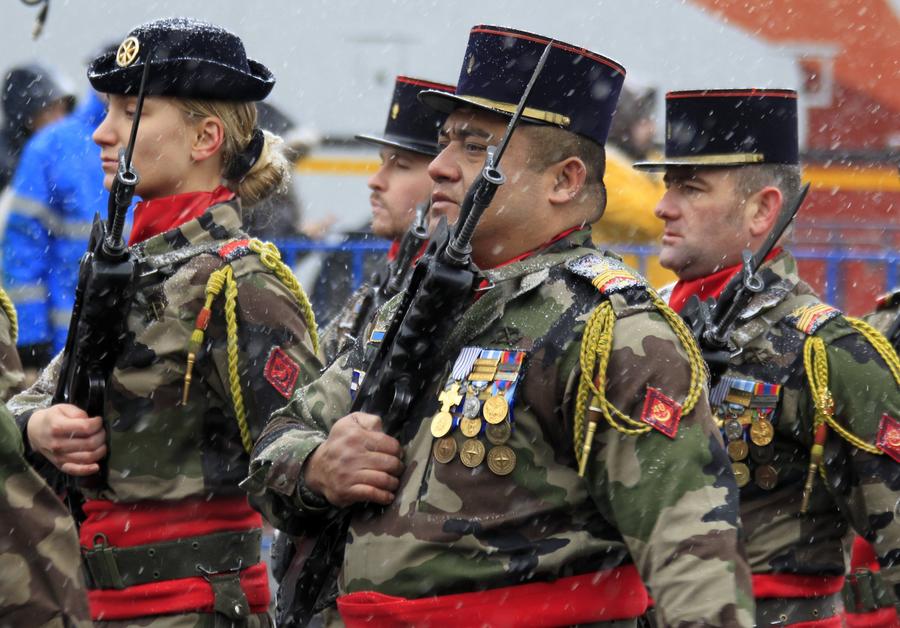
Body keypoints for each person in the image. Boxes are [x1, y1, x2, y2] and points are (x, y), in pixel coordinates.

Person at [246, 25, 754, 627]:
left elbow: (692, 556)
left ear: (564, 181)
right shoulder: (419, 302)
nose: (438, 167)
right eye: (443, 143)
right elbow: (278, 441)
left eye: (474, 147)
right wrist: (317, 469)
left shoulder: (614, 330)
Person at [8, 17, 321, 626]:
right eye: (107, 109)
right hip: (98, 602)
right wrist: (40, 426)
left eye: (131, 111)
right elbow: (37, 397)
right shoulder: (127, 268)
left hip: (192, 607)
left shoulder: (239, 282)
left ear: (205, 138)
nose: (103, 133)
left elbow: (298, 457)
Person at [636, 88, 900, 626]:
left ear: (762, 210)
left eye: (690, 188)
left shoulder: (826, 352)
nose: (663, 206)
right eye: (667, 186)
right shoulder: (639, 329)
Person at [318, 74, 454, 361]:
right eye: (382, 162)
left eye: (402, 165)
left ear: (443, 176)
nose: (375, 180)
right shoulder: (391, 269)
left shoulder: (446, 288)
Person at [2, 82, 107, 372]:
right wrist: (31, 336)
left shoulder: (155, 143)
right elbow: (23, 243)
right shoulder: (51, 146)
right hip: (64, 350)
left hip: (130, 354)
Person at [0, 63, 75, 193]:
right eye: (50, 110)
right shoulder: (6, 165)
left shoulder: (61, 152)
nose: (61, 119)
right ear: (26, 114)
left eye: (64, 110)